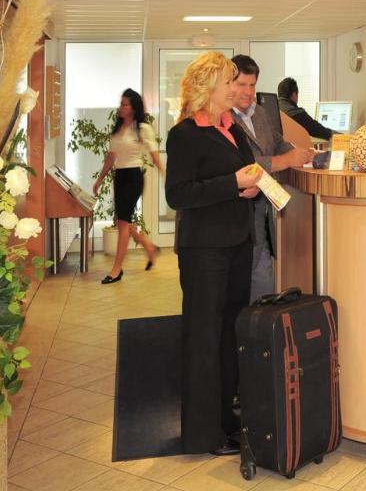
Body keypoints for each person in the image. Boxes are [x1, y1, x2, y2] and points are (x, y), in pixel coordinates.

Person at [165, 51, 262, 456]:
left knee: (228, 336)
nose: (234, 89)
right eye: (227, 82)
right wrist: (233, 183)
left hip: (238, 244)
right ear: (208, 87)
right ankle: (203, 433)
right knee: (204, 338)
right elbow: (178, 195)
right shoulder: (185, 134)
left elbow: (243, 174)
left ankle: (226, 420)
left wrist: (250, 187)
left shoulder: (232, 127)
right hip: (205, 251)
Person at [231, 55, 314, 303]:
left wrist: (300, 154)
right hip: (237, 213)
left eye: (252, 85)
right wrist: (286, 160)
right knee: (243, 279)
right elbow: (245, 163)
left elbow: (276, 141)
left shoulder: (260, 112)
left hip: (261, 211)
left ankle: (258, 321)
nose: (248, 92)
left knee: (262, 277)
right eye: (242, 85)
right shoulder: (223, 119)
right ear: (228, 84)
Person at [93, 88, 164, 284]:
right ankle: (149, 247)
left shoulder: (143, 128)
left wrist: (165, 174)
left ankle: (116, 269)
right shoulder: (118, 128)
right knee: (123, 221)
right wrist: (100, 179)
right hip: (120, 176)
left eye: (125, 104)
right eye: (121, 103)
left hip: (134, 177)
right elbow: (111, 157)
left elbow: (154, 155)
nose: (121, 107)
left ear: (133, 107)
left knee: (123, 222)